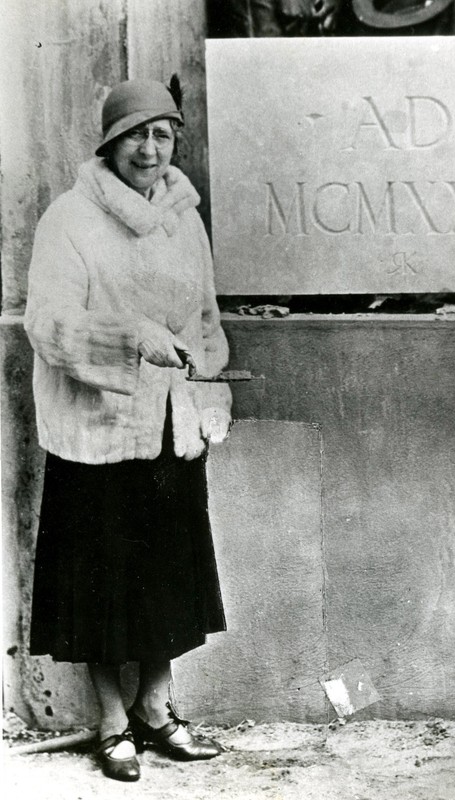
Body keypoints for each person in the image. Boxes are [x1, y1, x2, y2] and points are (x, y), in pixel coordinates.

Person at [24, 77, 232, 782]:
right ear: (110, 145)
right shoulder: (69, 219)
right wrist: (129, 335)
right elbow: (47, 324)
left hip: (169, 425)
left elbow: (204, 317)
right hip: (97, 426)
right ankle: (112, 724)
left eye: (162, 135)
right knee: (103, 584)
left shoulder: (184, 218)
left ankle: (158, 710)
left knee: (167, 576)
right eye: (135, 136)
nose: (150, 150)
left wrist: (203, 382)